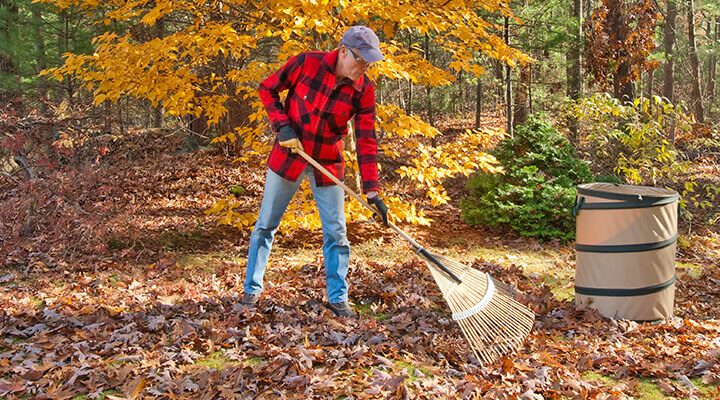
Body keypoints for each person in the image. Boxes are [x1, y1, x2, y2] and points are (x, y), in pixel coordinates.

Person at [242, 26, 389, 318]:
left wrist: (372, 190)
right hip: (289, 155)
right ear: (344, 51)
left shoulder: (364, 89)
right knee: (266, 225)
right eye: (361, 60)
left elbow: (366, 138)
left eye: (369, 62)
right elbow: (267, 88)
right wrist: (282, 125)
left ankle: (337, 298)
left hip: (328, 163)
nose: (364, 67)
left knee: (336, 232)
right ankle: (251, 291)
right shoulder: (306, 63)